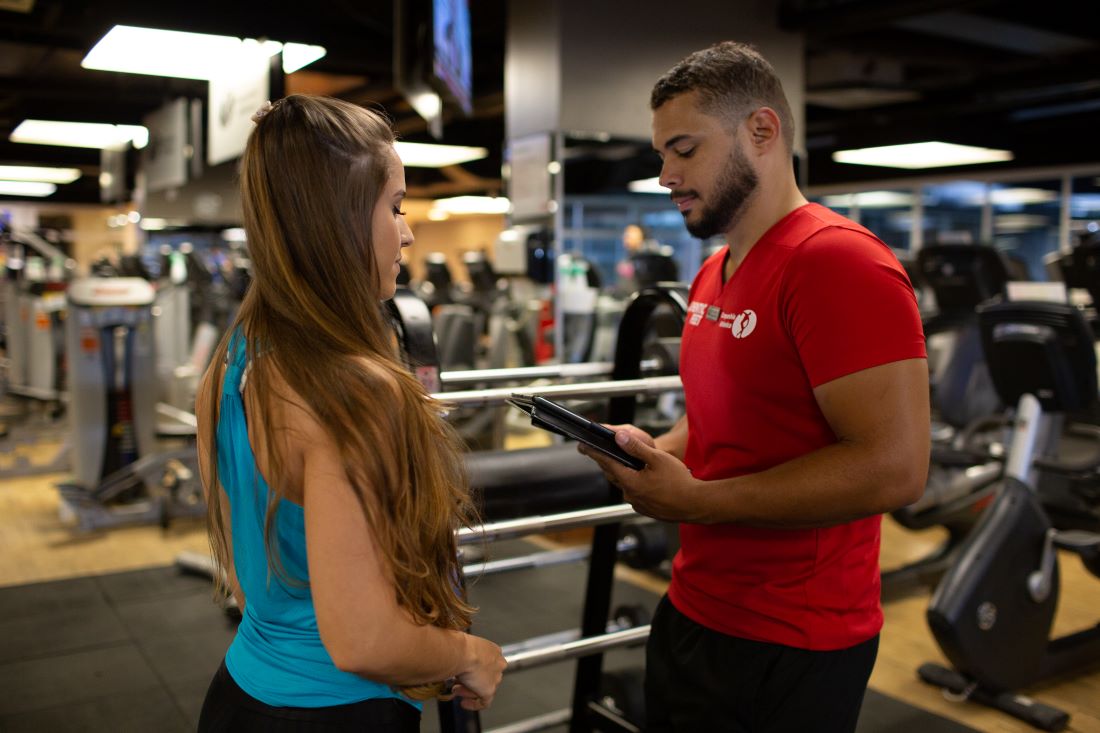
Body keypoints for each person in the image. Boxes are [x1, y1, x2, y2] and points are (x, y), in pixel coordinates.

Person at [577, 42, 929, 733]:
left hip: (794, 638)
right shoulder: (715, 272)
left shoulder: (839, 263)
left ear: (762, 132)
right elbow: (719, 424)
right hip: (696, 605)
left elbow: (896, 467)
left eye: (683, 150)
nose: (664, 174)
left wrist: (700, 501)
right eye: (661, 154)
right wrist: (657, 452)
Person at [194, 95, 506, 732]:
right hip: (336, 715)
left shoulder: (229, 366)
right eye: (394, 206)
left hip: (238, 698)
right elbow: (361, 641)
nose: (409, 231)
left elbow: (254, 581)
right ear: (335, 221)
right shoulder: (355, 390)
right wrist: (470, 654)